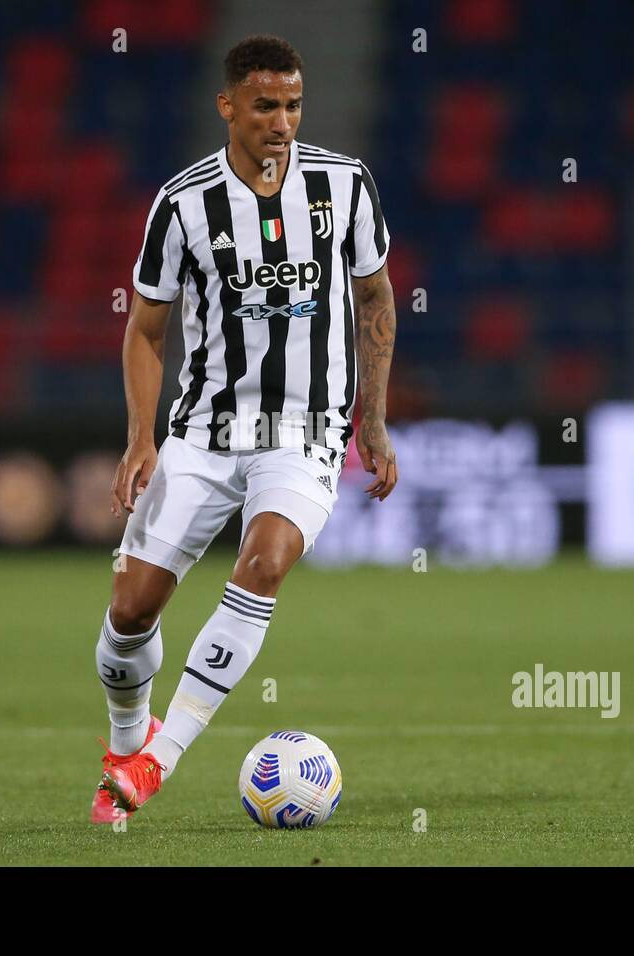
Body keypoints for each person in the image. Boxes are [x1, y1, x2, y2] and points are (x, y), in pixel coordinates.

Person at [91, 34, 398, 822]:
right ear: (227, 106)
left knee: (262, 565)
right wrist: (140, 437)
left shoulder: (346, 185)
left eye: (294, 105)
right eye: (265, 105)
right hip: (202, 433)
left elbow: (374, 299)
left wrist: (373, 421)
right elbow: (146, 330)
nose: (283, 121)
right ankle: (128, 738)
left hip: (303, 433)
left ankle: (155, 765)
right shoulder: (183, 203)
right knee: (130, 616)